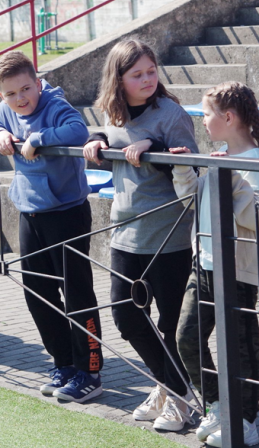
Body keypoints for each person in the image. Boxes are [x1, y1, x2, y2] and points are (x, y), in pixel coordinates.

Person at [83, 39, 198, 430]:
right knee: (127, 318)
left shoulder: (172, 114)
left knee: (170, 324)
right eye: (137, 74)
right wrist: (95, 141)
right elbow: (108, 136)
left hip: (168, 235)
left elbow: (190, 173)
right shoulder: (113, 114)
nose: (147, 79)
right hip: (124, 233)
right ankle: (168, 384)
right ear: (119, 79)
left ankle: (181, 398)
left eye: (151, 71)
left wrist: (156, 148)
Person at [0, 51, 104, 403]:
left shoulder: (54, 104)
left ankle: (89, 370)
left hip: (66, 213)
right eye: (10, 94)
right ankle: (63, 363)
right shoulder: (6, 108)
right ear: (1, 95)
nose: (20, 99)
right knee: (38, 292)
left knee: (77, 293)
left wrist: (38, 138)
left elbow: (77, 129)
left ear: (37, 83)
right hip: (30, 213)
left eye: (26, 89)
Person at [170, 82, 259, 447]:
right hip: (203, 264)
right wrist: (185, 169)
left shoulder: (256, 164)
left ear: (228, 117)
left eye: (206, 114)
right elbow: (192, 200)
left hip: (237, 272)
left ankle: (244, 423)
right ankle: (218, 405)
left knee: (242, 349)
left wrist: (229, 177)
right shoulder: (219, 156)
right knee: (186, 337)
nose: (202, 122)